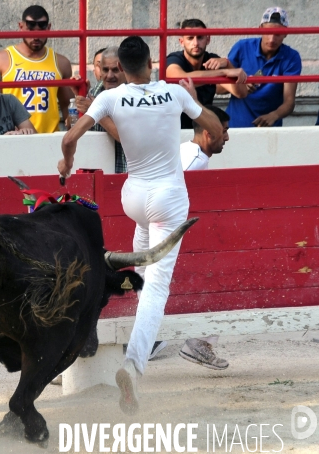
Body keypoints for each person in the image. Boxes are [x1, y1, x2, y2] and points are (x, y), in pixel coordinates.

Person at [58, 36, 222, 414]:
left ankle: (112, 324)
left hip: (133, 197)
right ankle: (133, 365)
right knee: (158, 285)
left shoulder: (110, 99)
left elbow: (70, 137)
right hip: (167, 198)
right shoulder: (172, 92)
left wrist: (66, 163)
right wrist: (211, 124)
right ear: (151, 63)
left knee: (146, 273)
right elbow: (210, 122)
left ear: (123, 68)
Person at [177, 105, 230, 369]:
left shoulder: (188, 151)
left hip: (171, 234)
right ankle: (198, 342)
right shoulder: (196, 160)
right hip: (174, 237)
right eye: (225, 131)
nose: (227, 138)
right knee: (219, 277)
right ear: (209, 133)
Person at [0, 5, 73, 133]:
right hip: (13, 136)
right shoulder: (1, 59)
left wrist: (74, 133)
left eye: (41, 28)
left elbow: (68, 106)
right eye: (31, 28)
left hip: (47, 139)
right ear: (21, 27)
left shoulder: (61, 63)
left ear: (49, 28)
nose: (36, 36)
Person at [226, 7, 301, 128]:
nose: (272, 39)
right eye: (268, 32)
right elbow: (219, 89)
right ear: (260, 28)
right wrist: (239, 85)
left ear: (286, 33)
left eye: (277, 34)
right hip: (235, 127)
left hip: (269, 131)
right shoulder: (242, 47)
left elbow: (289, 102)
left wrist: (274, 115)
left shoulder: (291, 57)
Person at [166, 19, 247, 129]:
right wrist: (223, 71)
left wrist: (228, 64)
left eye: (200, 37)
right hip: (175, 128)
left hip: (203, 128)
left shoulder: (213, 60)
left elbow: (241, 93)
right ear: (182, 42)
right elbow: (180, 78)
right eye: (190, 38)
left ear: (208, 39)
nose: (195, 43)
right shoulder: (174, 59)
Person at [74, 47, 127, 173]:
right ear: (99, 71)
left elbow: (125, 137)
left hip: (128, 173)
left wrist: (94, 110)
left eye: (115, 70)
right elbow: (78, 131)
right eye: (105, 69)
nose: (110, 75)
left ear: (125, 70)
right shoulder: (93, 93)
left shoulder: (135, 96)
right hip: (98, 171)